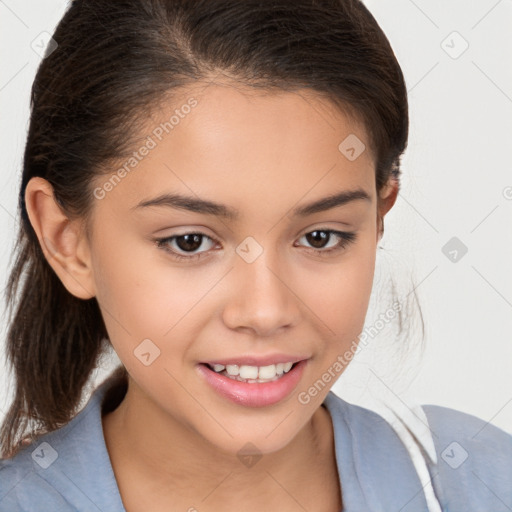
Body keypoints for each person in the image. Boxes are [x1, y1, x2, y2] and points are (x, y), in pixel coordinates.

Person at [0, 0, 511, 511]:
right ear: (67, 242)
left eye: (320, 237)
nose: (266, 312)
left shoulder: (481, 480)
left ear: (379, 217)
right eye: (190, 242)